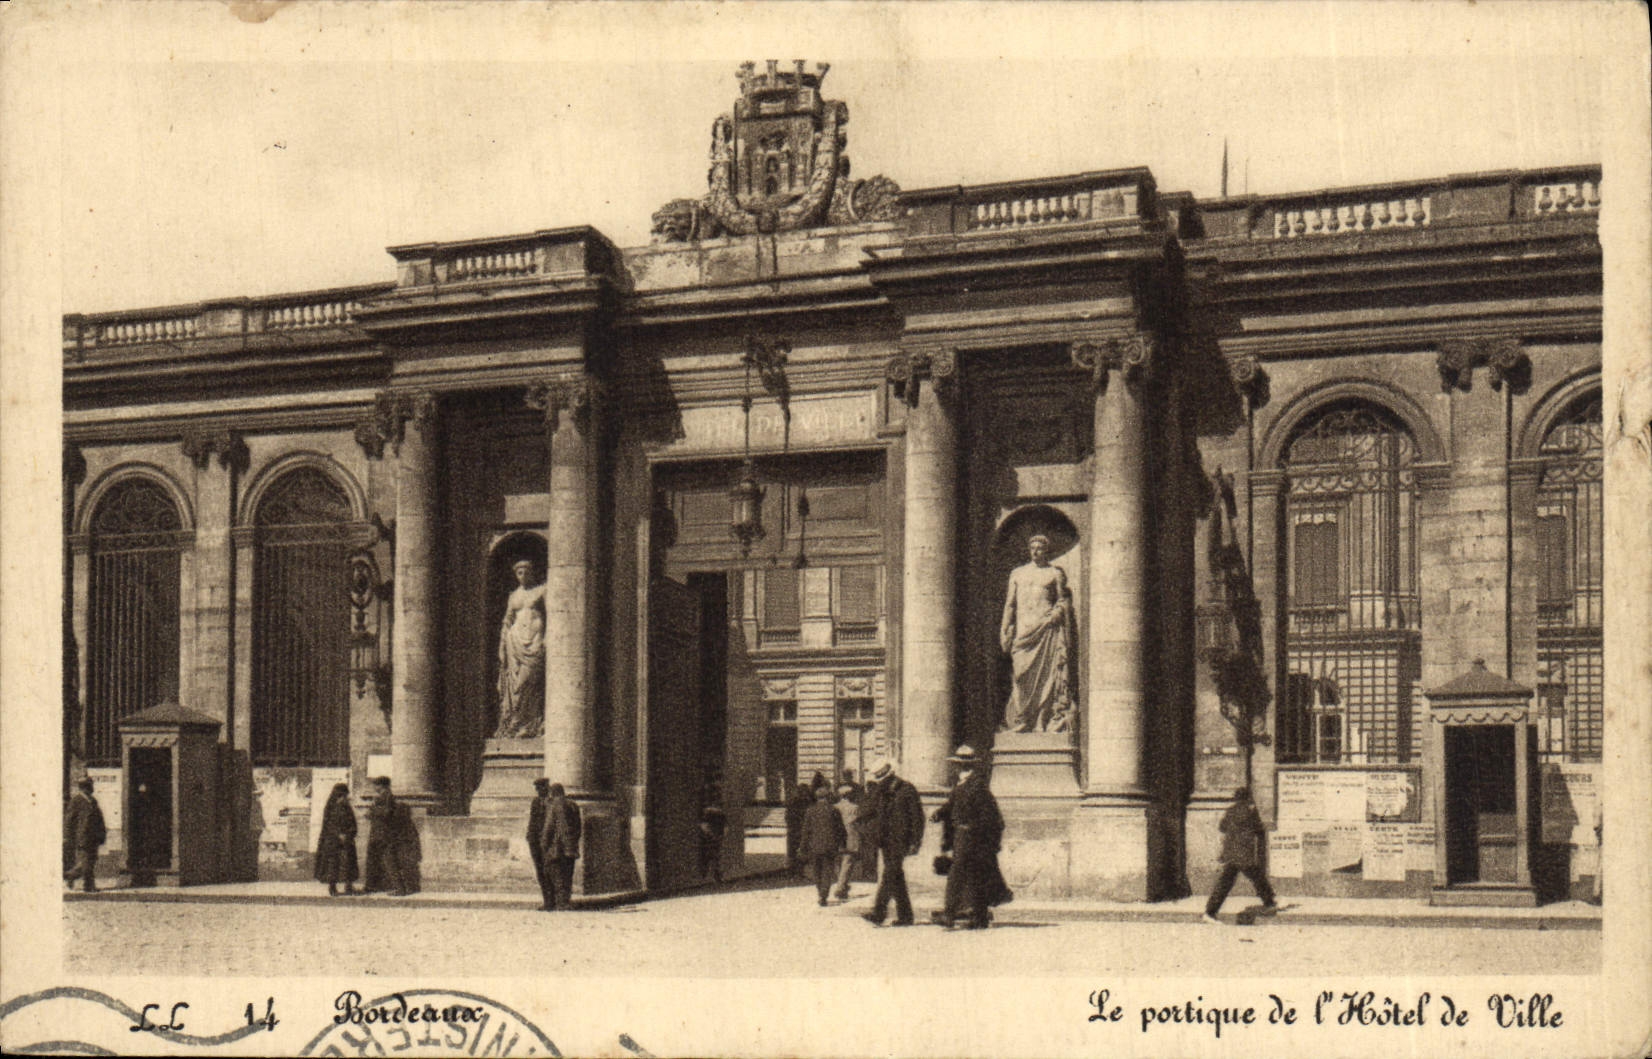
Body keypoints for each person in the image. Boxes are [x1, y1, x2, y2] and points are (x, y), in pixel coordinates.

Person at [999, 534, 1078, 733]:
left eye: (1040, 548)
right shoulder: (1017, 573)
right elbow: (1010, 604)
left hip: (1045, 629)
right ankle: (1021, 720)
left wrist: (1057, 613)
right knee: (1020, 675)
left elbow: (1062, 600)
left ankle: (1041, 722)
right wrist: (1005, 628)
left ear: (1046, 550)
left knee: (1046, 677)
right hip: (1023, 632)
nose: (1035, 551)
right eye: (1032, 547)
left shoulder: (1054, 573)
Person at [930, 746, 1013, 929]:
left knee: (956, 875)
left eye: (962, 765)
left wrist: (976, 833)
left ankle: (949, 914)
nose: (959, 768)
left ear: (968, 766)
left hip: (970, 838)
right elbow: (951, 806)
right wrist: (939, 814)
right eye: (958, 765)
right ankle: (980, 917)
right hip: (962, 836)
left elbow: (990, 815)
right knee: (975, 876)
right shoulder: (961, 785)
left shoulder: (977, 786)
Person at [861, 758, 924, 927]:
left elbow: (917, 817)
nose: (880, 782)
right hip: (885, 840)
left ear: (891, 775)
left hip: (900, 840)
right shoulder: (880, 792)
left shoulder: (907, 790)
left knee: (890, 873)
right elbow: (869, 811)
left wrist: (915, 841)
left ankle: (878, 913)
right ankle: (906, 916)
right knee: (896, 877)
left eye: (882, 779)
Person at [1203, 787, 1277, 923]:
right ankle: (1269, 902)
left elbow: (1222, 827)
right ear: (1248, 798)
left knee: (1227, 882)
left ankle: (1210, 912)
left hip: (1231, 852)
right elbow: (1259, 829)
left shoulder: (1230, 811)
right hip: (1243, 853)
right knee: (1256, 877)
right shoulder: (1250, 811)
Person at [495, 559, 547, 738]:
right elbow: (507, 621)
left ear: (532, 572)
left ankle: (530, 722)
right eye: (519, 572)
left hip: (534, 641)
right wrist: (502, 646)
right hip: (514, 642)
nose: (523, 575)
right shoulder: (514, 596)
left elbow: (552, 615)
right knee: (514, 684)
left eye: (526, 571)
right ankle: (515, 723)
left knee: (529, 681)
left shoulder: (542, 590)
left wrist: (547, 638)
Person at [799, 785, 848, 906]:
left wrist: (803, 846)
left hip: (815, 846)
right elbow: (841, 829)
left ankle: (820, 890)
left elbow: (806, 830)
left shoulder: (810, 810)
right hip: (830, 846)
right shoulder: (834, 810)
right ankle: (823, 894)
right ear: (828, 797)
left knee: (816, 870)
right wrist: (843, 843)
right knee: (827, 870)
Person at [363, 776, 409, 896]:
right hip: (378, 833)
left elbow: (387, 813)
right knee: (374, 860)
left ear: (382, 786)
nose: (374, 787)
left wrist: (372, 812)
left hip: (384, 834)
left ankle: (400, 888)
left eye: (376, 785)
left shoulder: (387, 797)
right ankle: (371, 886)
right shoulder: (380, 797)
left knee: (389, 860)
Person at [541, 782, 582, 910]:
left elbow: (549, 827)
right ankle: (565, 901)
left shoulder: (554, 806)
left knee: (556, 875)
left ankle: (560, 903)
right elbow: (578, 827)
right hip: (570, 847)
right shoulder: (573, 805)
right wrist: (573, 841)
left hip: (556, 847)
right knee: (567, 875)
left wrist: (544, 843)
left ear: (553, 793)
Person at [314, 782, 359, 897]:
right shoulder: (330, 808)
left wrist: (349, 834)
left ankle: (348, 886)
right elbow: (328, 825)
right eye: (340, 796)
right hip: (332, 841)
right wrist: (338, 834)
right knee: (333, 863)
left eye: (344, 796)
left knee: (349, 863)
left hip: (347, 840)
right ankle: (332, 887)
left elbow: (353, 824)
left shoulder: (347, 808)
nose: (343, 799)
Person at [63, 778, 107, 893]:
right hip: (82, 836)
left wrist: (102, 834)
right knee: (86, 862)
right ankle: (87, 885)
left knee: (91, 861)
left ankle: (72, 876)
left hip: (94, 836)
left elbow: (99, 818)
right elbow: (69, 820)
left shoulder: (92, 800)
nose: (93, 788)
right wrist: (67, 836)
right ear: (84, 787)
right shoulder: (76, 800)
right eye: (90, 785)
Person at [831, 781, 863, 901]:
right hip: (851, 837)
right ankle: (840, 887)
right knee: (848, 863)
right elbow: (858, 823)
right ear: (849, 795)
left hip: (837, 836)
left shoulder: (835, 807)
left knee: (839, 862)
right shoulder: (855, 808)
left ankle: (842, 886)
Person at [527, 778, 554, 910]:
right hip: (535, 841)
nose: (539, 791)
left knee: (549, 871)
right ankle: (547, 901)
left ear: (547, 788)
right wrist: (530, 838)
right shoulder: (535, 802)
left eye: (541, 788)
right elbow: (532, 821)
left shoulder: (552, 802)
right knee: (541, 872)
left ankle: (552, 901)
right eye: (537, 789)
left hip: (547, 842)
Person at [784, 778, 816, 878]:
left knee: (793, 851)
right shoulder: (806, 803)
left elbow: (787, 817)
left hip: (793, 830)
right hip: (800, 830)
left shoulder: (792, 802)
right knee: (801, 850)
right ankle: (798, 872)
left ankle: (792, 872)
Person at [698, 780, 727, 883]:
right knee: (710, 854)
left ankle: (715, 875)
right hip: (711, 832)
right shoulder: (709, 809)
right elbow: (704, 822)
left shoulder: (717, 808)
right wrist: (709, 832)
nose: (719, 794)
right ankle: (708, 875)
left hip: (716, 831)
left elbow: (723, 820)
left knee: (716, 854)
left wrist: (722, 831)